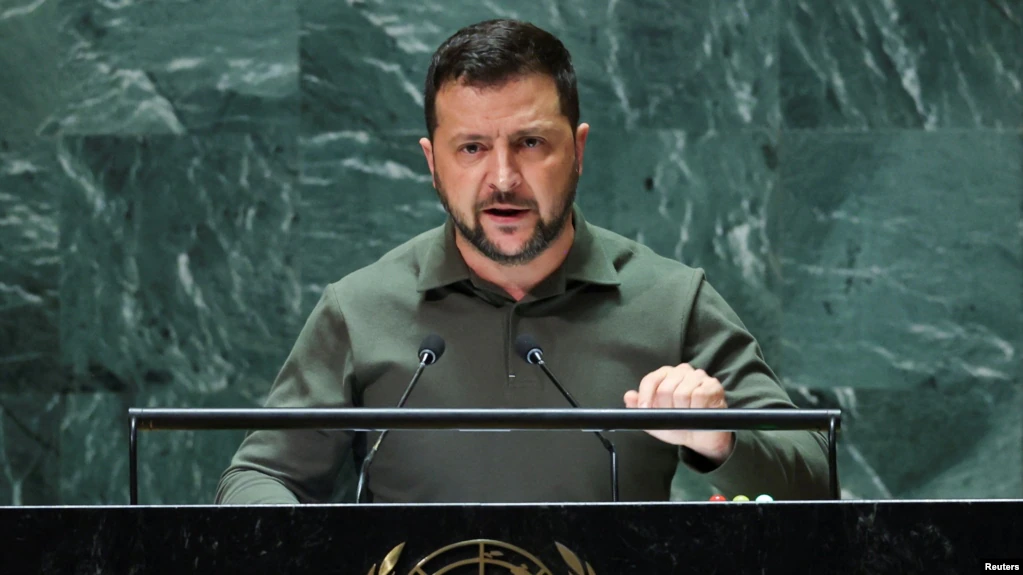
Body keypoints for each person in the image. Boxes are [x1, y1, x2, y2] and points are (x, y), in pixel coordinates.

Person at [215, 19, 831, 505]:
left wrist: (722, 438)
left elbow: (815, 472)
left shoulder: (672, 301)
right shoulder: (359, 309)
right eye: (472, 148)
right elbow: (261, 477)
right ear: (432, 163)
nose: (503, 178)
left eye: (531, 143)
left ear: (578, 151)